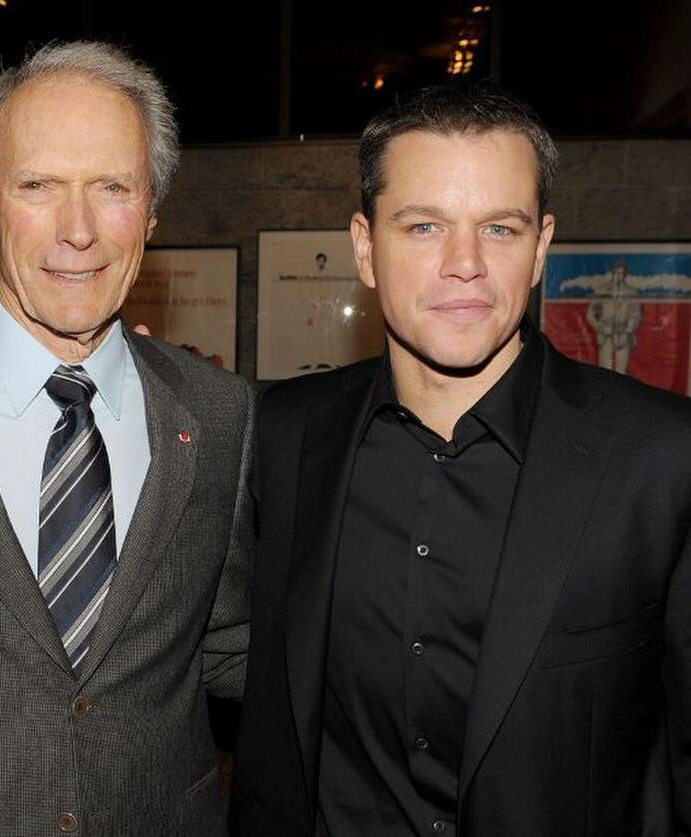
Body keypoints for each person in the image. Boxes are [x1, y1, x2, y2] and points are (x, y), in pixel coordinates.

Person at [231, 84, 691, 836]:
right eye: (422, 226)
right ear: (364, 246)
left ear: (541, 248)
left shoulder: (663, 458)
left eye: (501, 229)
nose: (465, 263)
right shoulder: (284, 435)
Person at [0, 41, 253, 836]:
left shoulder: (219, 415)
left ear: (150, 209)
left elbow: (230, 648)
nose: (77, 231)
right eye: (38, 185)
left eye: (111, 187)